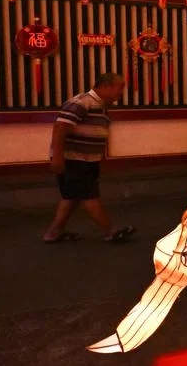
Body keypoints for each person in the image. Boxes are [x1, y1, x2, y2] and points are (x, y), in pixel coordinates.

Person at [43, 73, 135, 243]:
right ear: (105, 86)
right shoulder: (82, 102)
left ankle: (53, 233)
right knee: (89, 195)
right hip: (74, 159)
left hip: (87, 159)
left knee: (72, 197)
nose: (120, 93)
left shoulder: (101, 106)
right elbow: (60, 127)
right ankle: (110, 231)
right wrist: (57, 157)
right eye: (119, 88)